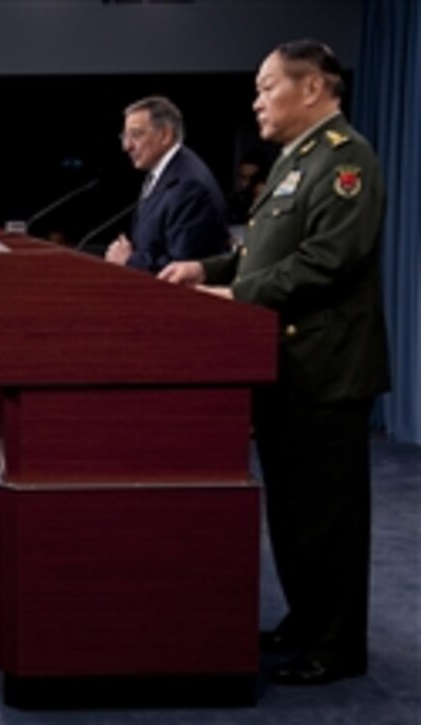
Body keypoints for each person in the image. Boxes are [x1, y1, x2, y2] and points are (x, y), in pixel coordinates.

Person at [158, 39, 389, 685]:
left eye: (266, 86)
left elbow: (327, 261)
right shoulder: (296, 162)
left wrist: (233, 292)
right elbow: (262, 252)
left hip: (326, 367)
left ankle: (338, 646)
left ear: (312, 87)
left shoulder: (349, 160)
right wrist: (204, 267)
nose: (256, 99)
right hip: (283, 363)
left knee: (329, 517)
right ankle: (307, 617)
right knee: (292, 511)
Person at [105, 96, 230, 273]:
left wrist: (130, 260)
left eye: (136, 135)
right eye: (125, 136)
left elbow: (180, 268)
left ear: (165, 135)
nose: (127, 146)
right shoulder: (163, 175)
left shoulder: (189, 185)